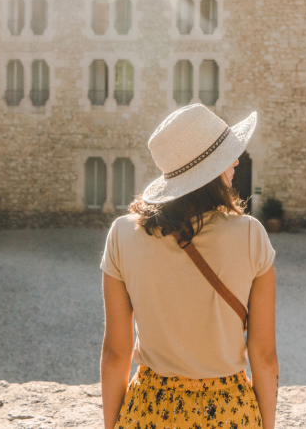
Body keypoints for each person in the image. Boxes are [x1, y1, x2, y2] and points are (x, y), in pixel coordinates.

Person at [100, 104, 278, 429]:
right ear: (211, 171)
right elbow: (264, 357)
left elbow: (115, 354)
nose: (237, 161)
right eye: (228, 155)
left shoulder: (122, 235)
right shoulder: (252, 235)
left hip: (149, 411)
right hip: (229, 412)